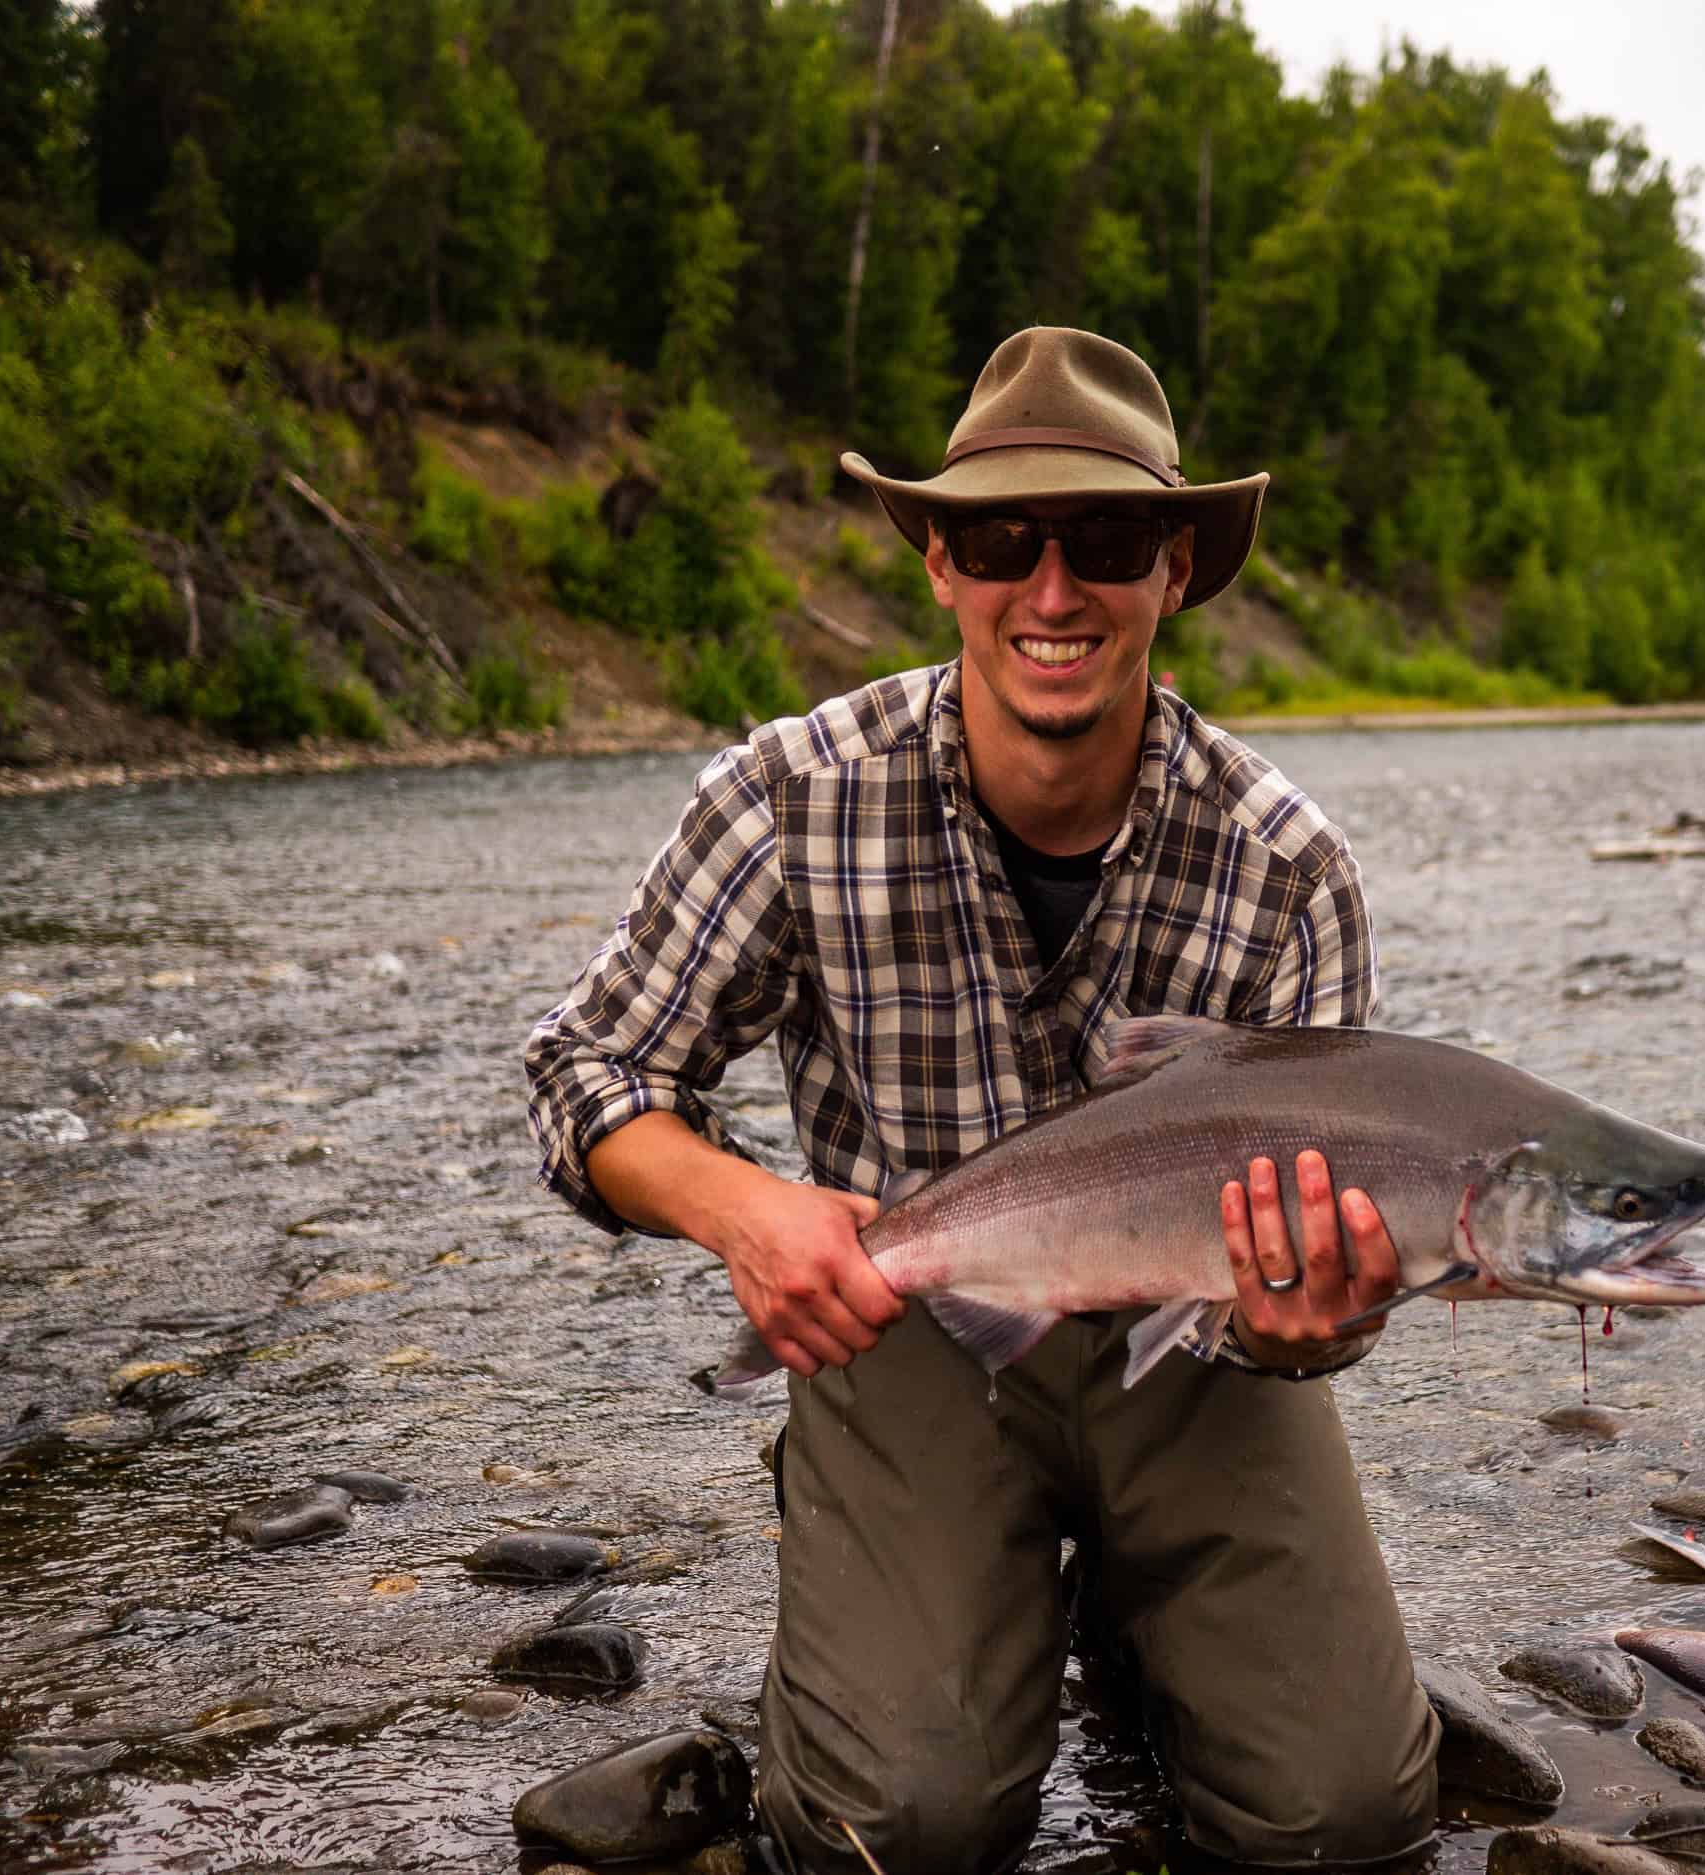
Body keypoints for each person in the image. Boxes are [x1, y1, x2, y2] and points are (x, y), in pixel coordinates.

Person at [524, 327, 1439, 1871]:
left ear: (1175, 572)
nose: (1055, 589)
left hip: (1198, 1356)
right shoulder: (791, 797)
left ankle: (1137, 1631)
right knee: (904, 1830)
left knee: (1345, 1821)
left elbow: (1324, 1293)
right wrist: (745, 1211)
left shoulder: (1292, 871)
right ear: (941, 561)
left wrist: (1330, 1320)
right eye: (1005, 539)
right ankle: (931, 1612)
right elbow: (586, 1073)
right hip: (914, 1334)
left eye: (1109, 540)